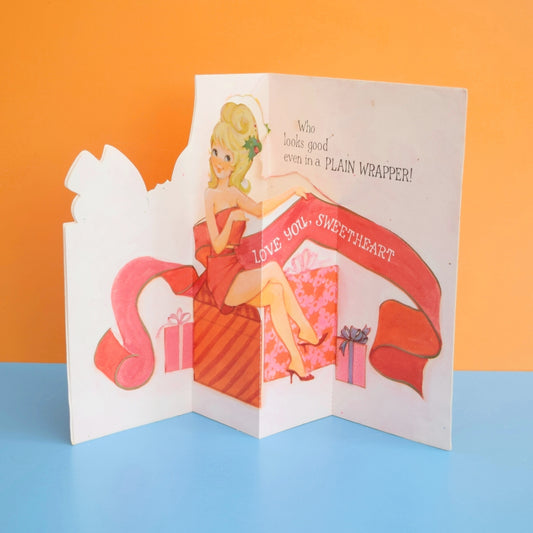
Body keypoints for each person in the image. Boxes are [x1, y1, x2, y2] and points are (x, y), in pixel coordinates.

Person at [204, 101, 325, 382]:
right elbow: (217, 246)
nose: (219, 161)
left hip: (234, 271)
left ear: (237, 163)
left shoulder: (235, 194)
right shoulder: (211, 196)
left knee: (276, 293)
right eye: (216, 152)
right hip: (220, 277)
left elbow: (260, 209)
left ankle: (297, 361)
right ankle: (306, 330)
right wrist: (231, 221)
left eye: (227, 156)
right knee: (272, 269)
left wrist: (291, 192)